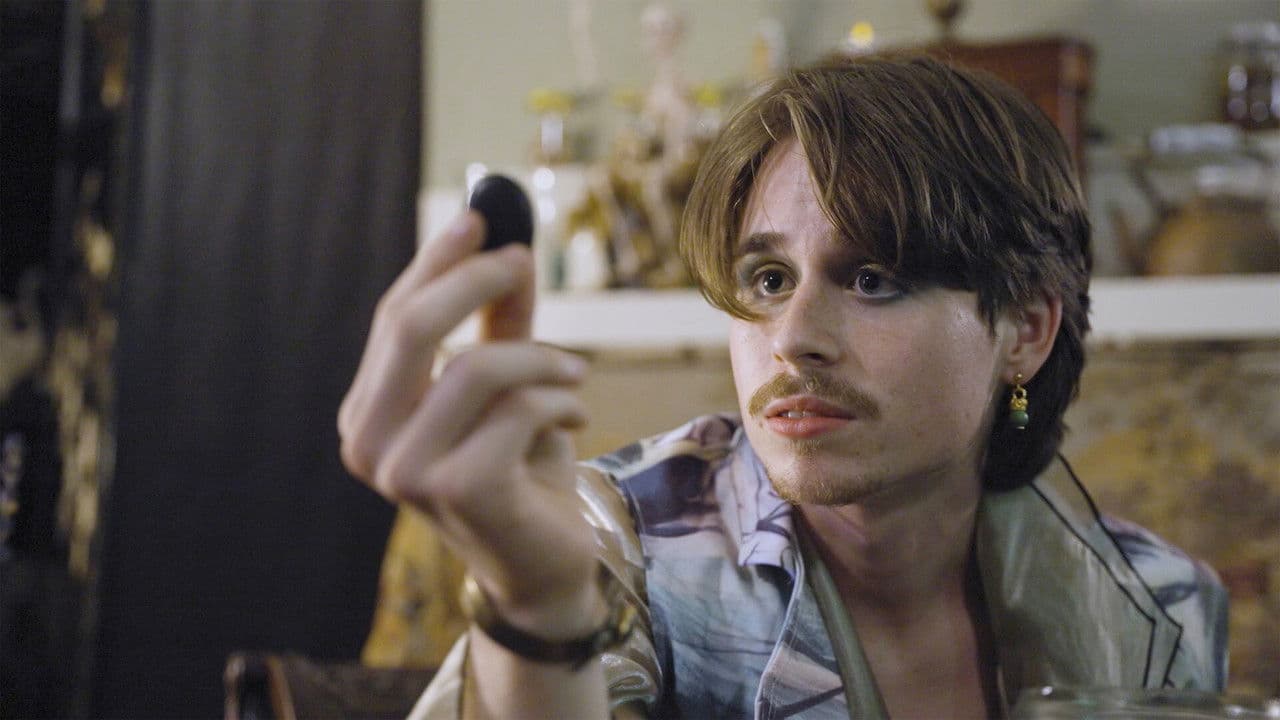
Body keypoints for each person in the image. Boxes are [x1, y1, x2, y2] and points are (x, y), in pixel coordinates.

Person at [338, 55, 1228, 719]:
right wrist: (538, 611)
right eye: (767, 279)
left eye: (873, 278)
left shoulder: (1159, 605)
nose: (794, 337)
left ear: (1025, 331)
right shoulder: (615, 544)